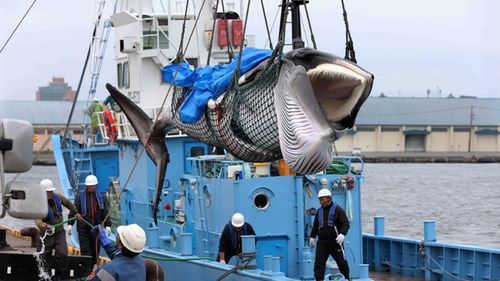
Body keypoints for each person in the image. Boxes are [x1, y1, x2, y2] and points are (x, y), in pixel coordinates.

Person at [34, 179, 83, 276]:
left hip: (59, 233)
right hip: (45, 234)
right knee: (44, 257)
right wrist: (40, 224)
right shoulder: (38, 202)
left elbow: (69, 204)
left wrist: (76, 212)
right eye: (46, 192)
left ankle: (58, 275)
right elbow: (36, 217)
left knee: (62, 254)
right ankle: (45, 275)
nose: (49, 193)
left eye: (50, 191)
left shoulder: (59, 197)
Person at [69, 174, 111, 266]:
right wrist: (70, 224)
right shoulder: (79, 196)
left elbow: (105, 212)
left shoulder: (101, 197)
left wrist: (108, 225)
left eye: (94, 185)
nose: (93, 187)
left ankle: (91, 270)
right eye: (91, 186)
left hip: (96, 230)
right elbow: (73, 210)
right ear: (86, 186)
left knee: (95, 252)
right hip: (83, 229)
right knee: (85, 252)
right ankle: (85, 272)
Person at [310, 188, 350, 281]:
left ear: (329, 198)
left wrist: (342, 234)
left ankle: (347, 278)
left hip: (335, 242)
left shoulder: (338, 210)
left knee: (341, 262)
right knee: (318, 264)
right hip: (322, 243)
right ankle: (319, 280)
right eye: (320, 199)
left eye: (323, 199)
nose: (321, 201)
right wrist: (312, 236)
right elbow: (315, 225)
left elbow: (345, 223)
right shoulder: (319, 211)